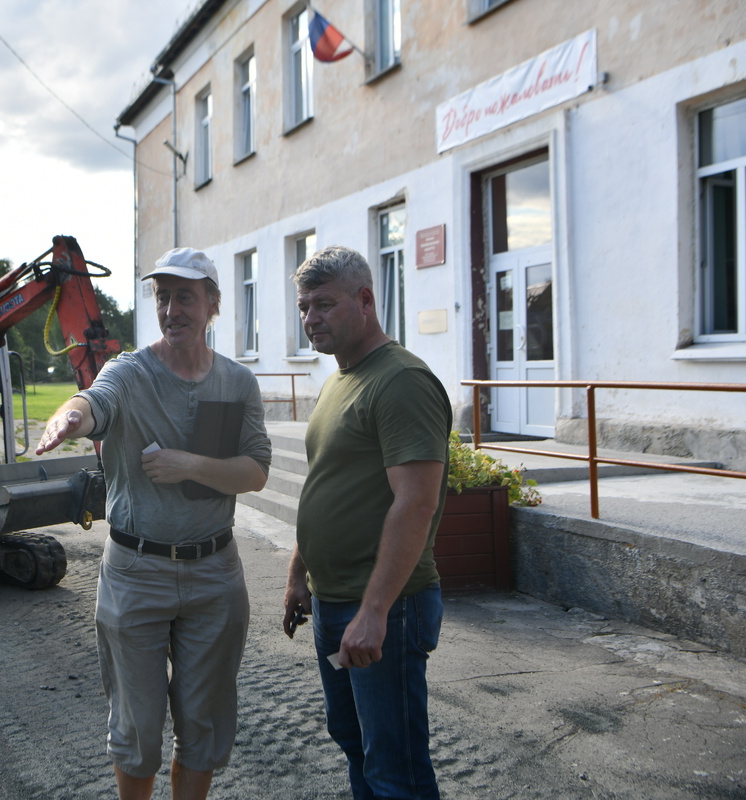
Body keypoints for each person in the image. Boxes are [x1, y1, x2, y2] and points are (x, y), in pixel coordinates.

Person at [36, 247, 271, 800]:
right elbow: (93, 401)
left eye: (184, 296)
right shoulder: (129, 373)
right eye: (163, 296)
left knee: (204, 726)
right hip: (135, 573)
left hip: (215, 576)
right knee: (137, 729)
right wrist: (69, 418)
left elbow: (256, 471)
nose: (171, 309)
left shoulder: (237, 383)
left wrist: (190, 465)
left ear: (212, 303)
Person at [281, 245, 451, 800]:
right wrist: (297, 574)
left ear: (366, 300)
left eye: (324, 305)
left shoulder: (400, 380)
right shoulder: (337, 381)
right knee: (355, 744)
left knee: (394, 766)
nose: (310, 319)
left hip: (387, 609)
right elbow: (325, 482)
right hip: (334, 602)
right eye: (304, 307)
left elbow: (416, 504)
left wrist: (374, 611)